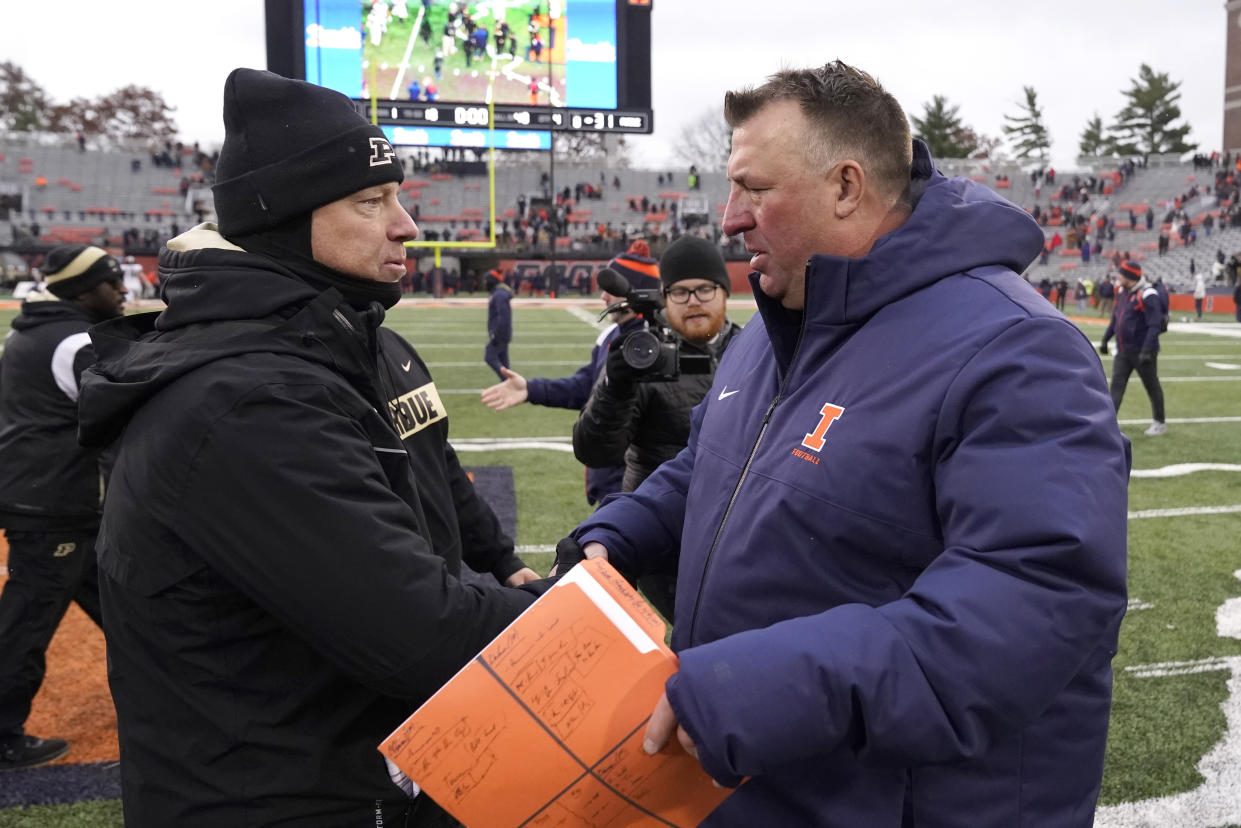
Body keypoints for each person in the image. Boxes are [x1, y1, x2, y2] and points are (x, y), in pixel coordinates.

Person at [563, 62, 1128, 826]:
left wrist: (770, 686)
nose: (728, 218)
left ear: (845, 186)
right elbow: (716, 463)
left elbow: (1034, 597)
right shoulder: (777, 322)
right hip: (767, 780)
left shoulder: (1016, 350)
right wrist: (617, 536)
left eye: (754, 190)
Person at [75, 68, 557, 828]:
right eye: (372, 202)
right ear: (286, 219)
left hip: (341, 761)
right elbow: (415, 632)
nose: (405, 225)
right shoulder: (249, 399)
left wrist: (498, 566)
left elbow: (432, 490)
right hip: (270, 796)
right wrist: (557, 621)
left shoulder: (346, 347)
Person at [0, 245, 126, 770]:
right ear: (81, 291)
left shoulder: (29, 330)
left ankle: (183, 694)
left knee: (130, 607)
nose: (122, 291)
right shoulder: (75, 341)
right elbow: (114, 420)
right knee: (27, 621)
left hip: (41, 494)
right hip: (56, 504)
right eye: (110, 282)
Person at [571, 235, 741, 619]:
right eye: (679, 292)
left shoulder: (751, 348)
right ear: (664, 297)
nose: (693, 300)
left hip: (735, 528)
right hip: (669, 536)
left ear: (724, 292)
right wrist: (617, 387)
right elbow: (595, 451)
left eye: (704, 288)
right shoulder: (644, 356)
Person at [480, 241, 659, 506]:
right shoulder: (612, 334)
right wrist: (531, 389)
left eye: (611, 290)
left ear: (634, 292)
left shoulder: (650, 345)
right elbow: (586, 386)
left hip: (631, 481)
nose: (603, 297)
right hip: (607, 475)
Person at [1101, 260, 1167, 436]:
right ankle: (1108, 424)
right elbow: (1116, 319)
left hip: (1142, 351)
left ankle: (1159, 422)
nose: (1117, 277)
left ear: (1129, 277)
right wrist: (1106, 339)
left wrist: (1147, 349)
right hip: (1123, 350)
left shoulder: (1148, 294)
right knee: (1116, 386)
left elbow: (1154, 325)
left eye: (1121, 274)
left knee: (1151, 386)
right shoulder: (1122, 292)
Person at [483, 267, 513, 379]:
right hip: (501, 333)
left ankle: (509, 382)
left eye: (487, 280)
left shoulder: (499, 295)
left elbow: (504, 316)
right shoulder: (498, 294)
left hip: (500, 334)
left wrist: (496, 333)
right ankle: (508, 386)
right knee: (505, 365)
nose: (485, 283)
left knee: (489, 356)